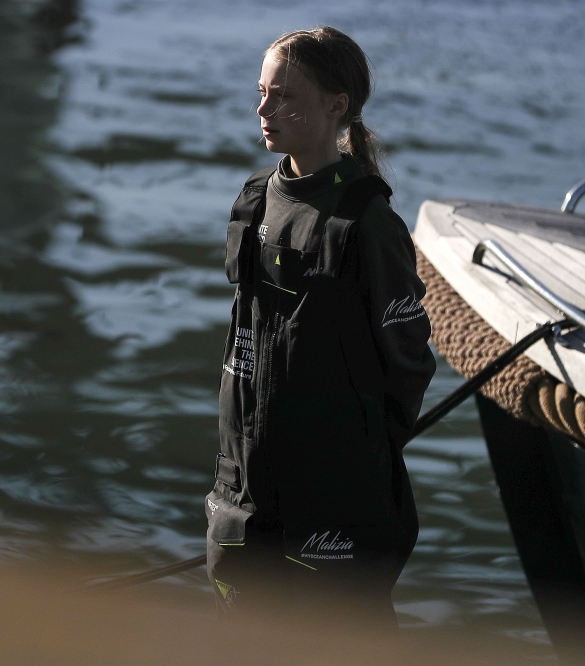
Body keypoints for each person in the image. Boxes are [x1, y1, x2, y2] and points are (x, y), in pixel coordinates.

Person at [204, 27, 435, 627]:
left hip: (333, 509)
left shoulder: (368, 223)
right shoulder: (255, 202)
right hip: (242, 494)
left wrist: (350, 450)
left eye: (283, 95)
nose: (263, 110)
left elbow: (408, 363)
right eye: (261, 92)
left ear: (337, 106)